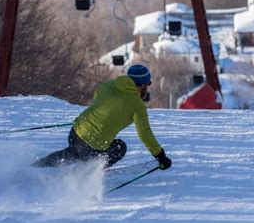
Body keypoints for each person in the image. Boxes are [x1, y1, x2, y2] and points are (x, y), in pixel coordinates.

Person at [33, 64, 172, 170]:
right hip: (93, 146)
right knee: (119, 147)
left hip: (76, 132)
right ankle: (90, 172)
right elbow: (145, 134)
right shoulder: (138, 106)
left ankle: (38, 166)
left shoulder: (108, 85)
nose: (148, 87)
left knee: (70, 154)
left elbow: (97, 100)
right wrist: (160, 156)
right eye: (148, 84)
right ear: (142, 85)